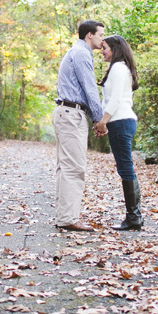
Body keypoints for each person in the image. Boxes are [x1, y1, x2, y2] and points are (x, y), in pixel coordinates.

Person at [53, 19, 105, 232]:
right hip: (71, 113)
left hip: (66, 113)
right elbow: (90, 89)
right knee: (74, 168)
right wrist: (99, 119)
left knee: (65, 167)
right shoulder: (83, 53)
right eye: (101, 34)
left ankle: (65, 216)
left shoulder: (75, 52)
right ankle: (68, 218)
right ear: (89, 35)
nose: (103, 39)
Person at [94, 35, 142, 231]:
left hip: (120, 121)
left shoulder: (118, 68)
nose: (101, 51)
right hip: (121, 121)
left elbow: (114, 101)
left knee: (125, 169)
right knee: (125, 168)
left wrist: (103, 122)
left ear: (115, 49)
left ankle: (134, 217)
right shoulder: (121, 68)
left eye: (104, 47)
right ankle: (134, 216)